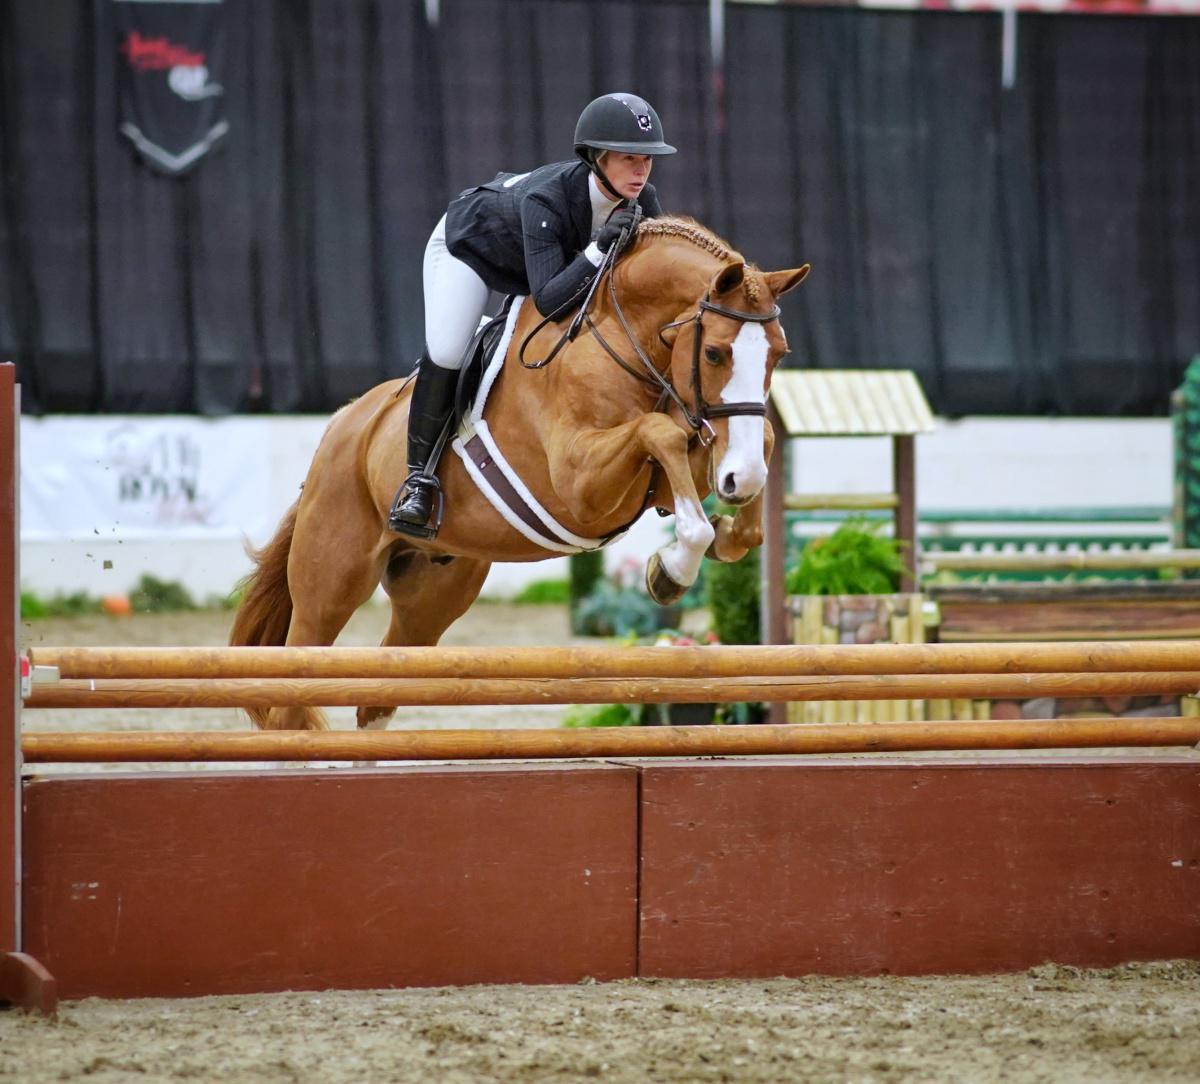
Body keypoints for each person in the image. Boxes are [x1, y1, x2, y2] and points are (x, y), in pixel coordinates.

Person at [387, 91, 676, 538]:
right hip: (469, 248)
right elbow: (549, 301)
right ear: (596, 158)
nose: (641, 171)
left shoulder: (644, 202)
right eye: (629, 158)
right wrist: (600, 247)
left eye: (648, 160)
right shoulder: (548, 199)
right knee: (447, 349)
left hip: (537, 265)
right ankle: (418, 480)